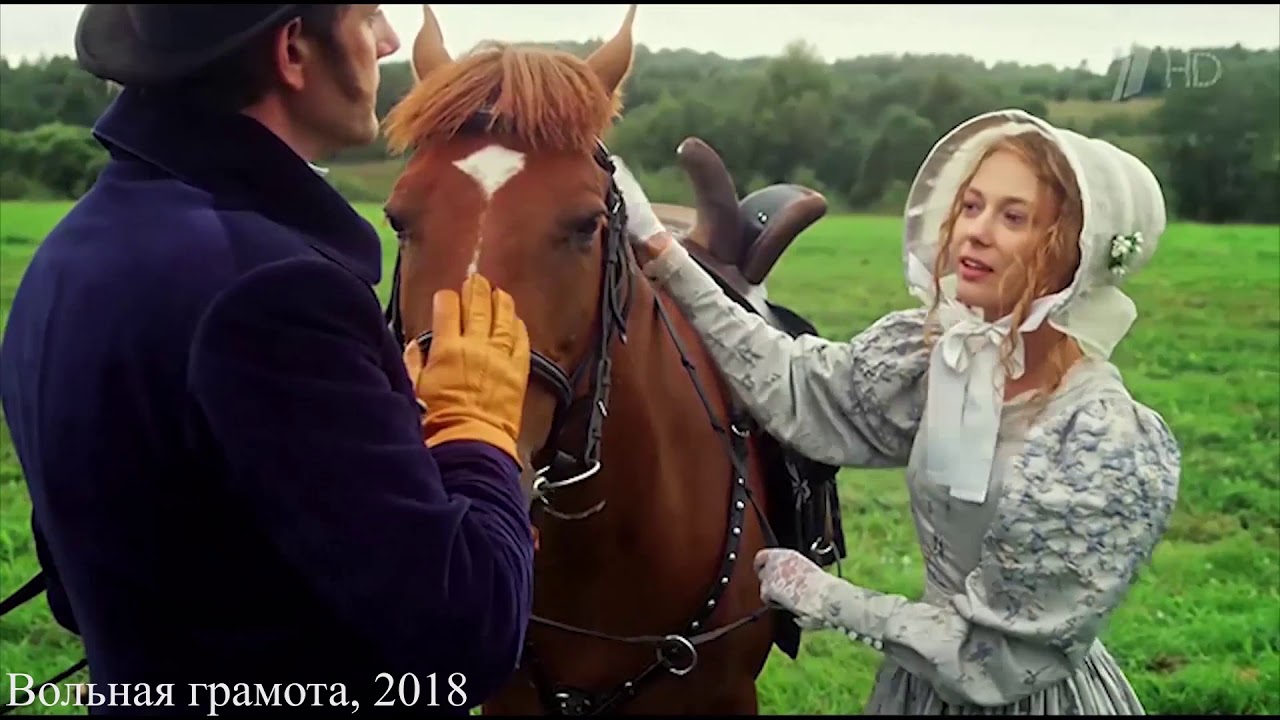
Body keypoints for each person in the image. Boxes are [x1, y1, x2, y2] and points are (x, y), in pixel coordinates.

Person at [0, 4, 537, 715]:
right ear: (293, 51)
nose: (388, 42)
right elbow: (468, 634)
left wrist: (371, 433)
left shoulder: (70, 253)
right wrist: (474, 429)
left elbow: (79, 591)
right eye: (369, 17)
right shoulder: (275, 290)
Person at [610, 109, 1181, 715]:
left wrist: (829, 598)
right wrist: (662, 251)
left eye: (1013, 217)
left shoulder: (1103, 440)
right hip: (917, 690)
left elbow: (997, 664)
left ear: (1078, 250)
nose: (975, 231)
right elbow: (801, 387)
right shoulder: (943, 357)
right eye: (971, 205)